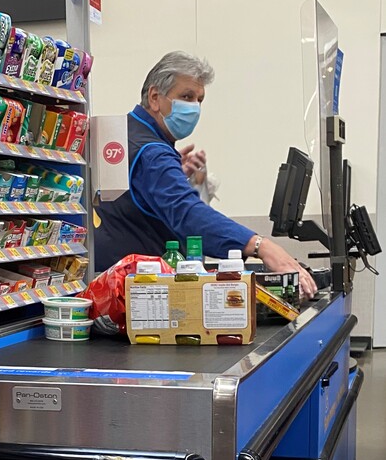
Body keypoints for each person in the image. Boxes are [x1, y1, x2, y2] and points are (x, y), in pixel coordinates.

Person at [93, 51, 318, 297]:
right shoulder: (153, 153)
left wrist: (174, 177)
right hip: (137, 295)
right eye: (186, 96)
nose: (194, 108)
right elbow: (188, 214)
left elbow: (131, 200)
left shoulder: (120, 135)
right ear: (155, 97)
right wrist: (259, 245)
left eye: (199, 100)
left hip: (107, 281)